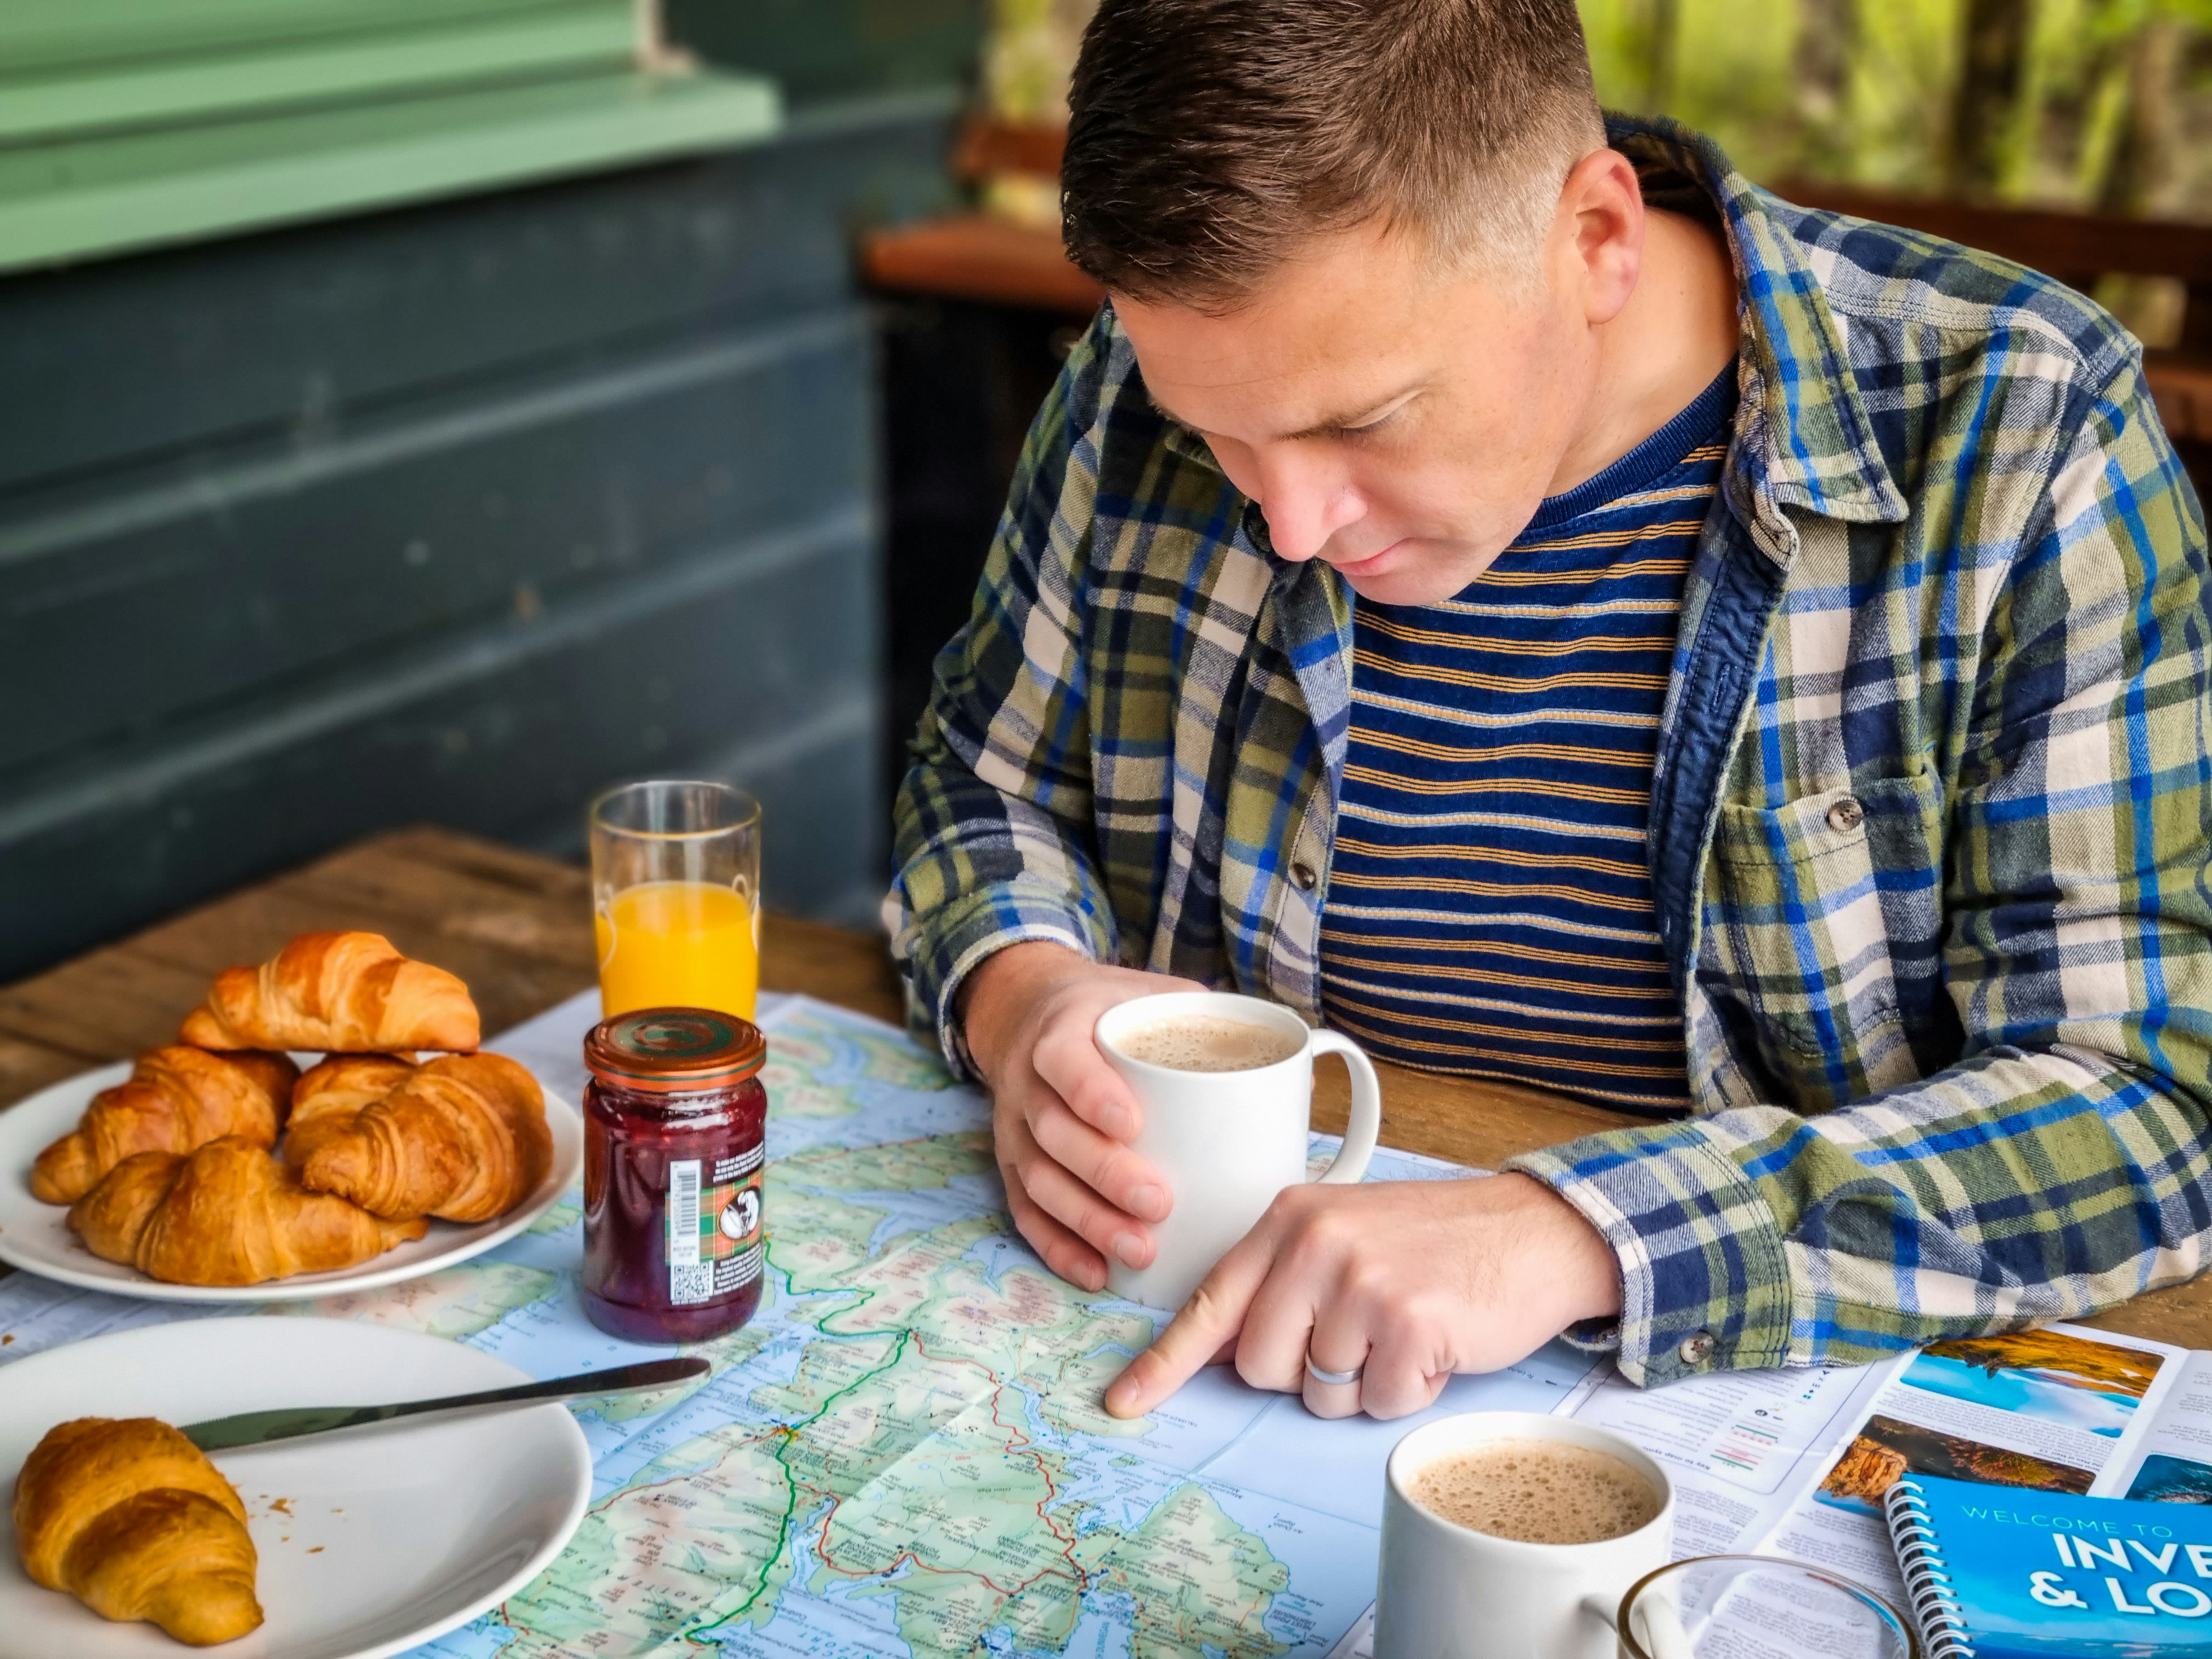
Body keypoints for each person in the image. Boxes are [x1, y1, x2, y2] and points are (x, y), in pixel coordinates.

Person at [888, 0, 2212, 1423]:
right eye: (1223, 437)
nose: (1285, 523)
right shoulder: (1150, 384)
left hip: (1735, 1403)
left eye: (1362, 420)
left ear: (1595, 238)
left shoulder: (2022, 428)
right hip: (1208, 1374)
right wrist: (1026, 994)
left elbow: (2149, 1107)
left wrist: (1576, 1234)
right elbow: (982, 777)